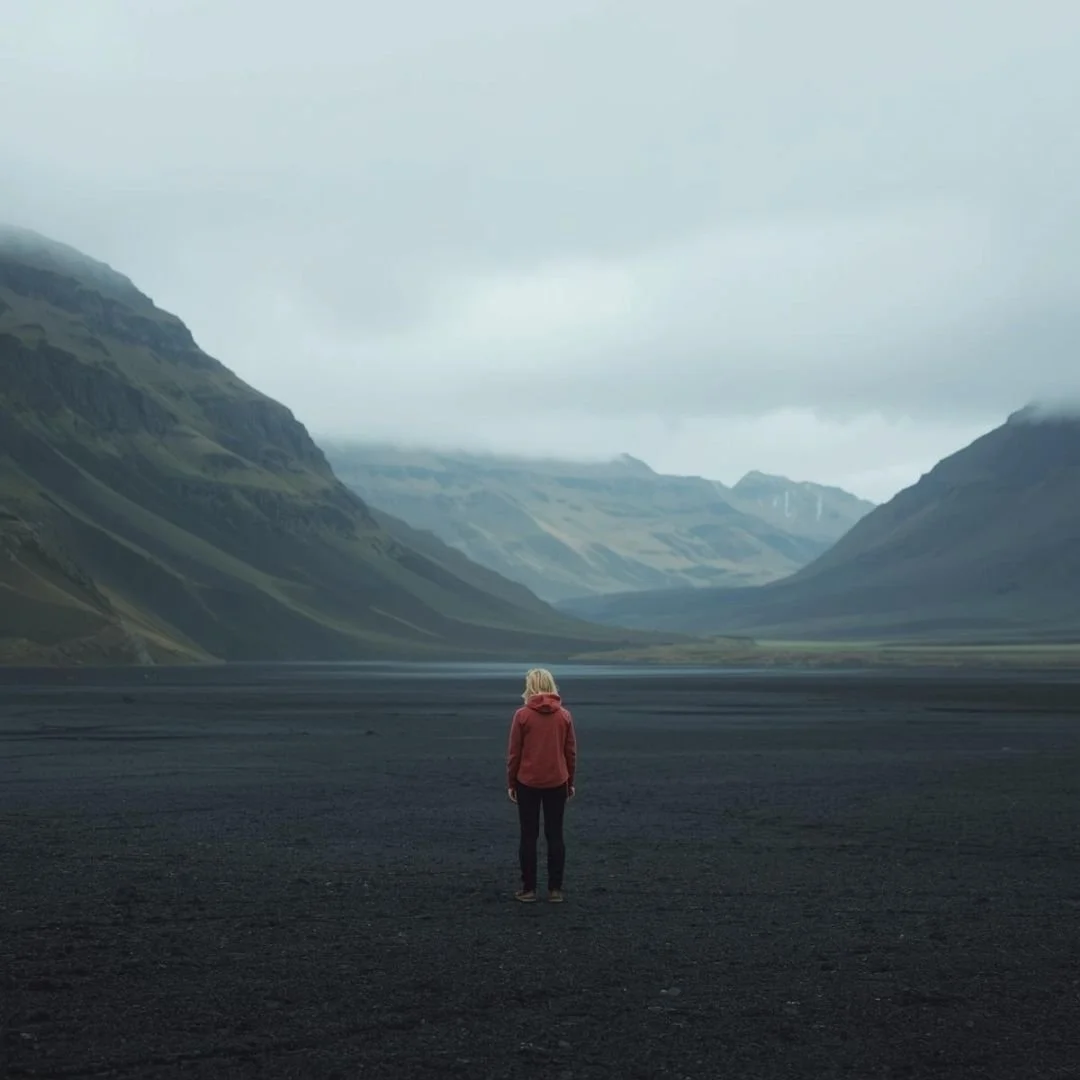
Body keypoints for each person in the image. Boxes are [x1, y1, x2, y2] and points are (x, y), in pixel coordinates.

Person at [506, 667, 577, 903]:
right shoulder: (564, 715)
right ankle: (555, 890)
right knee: (555, 834)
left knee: (529, 835)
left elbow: (514, 753)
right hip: (557, 780)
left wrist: (511, 782)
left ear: (531, 686)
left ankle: (529, 889)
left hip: (527, 781)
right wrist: (570, 781)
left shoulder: (522, 715)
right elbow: (570, 752)